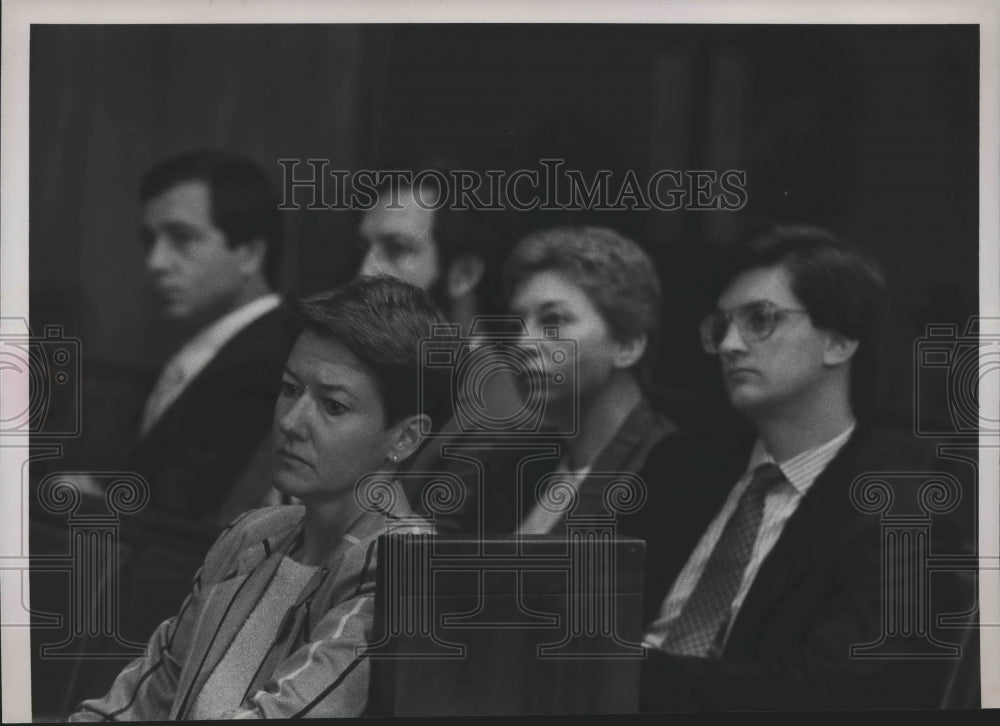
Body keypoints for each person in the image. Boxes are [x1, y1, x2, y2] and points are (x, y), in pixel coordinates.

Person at [69, 277, 443, 720]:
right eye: (289, 389)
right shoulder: (250, 534)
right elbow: (140, 700)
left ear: (404, 437)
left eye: (333, 406)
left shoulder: (407, 560)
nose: (292, 421)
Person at [637, 225, 969, 710]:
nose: (730, 344)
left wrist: (627, 673)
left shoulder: (900, 505)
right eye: (721, 326)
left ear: (839, 341)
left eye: (760, 319)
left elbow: (841, 691)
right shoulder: (682, 465)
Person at [125, 150, 298, 521]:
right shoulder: (221, 346)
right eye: (150, 240)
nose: (155, 263)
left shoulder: (275, 360)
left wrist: (101, 499)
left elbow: (186, 511)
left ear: (249, 252)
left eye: (181, 239)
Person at [480, 226, 676, 535]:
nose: (522, 343)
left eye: (554, 320)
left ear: (629, 345)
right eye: (515, 325)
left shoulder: (667, 476)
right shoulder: (515, 466)